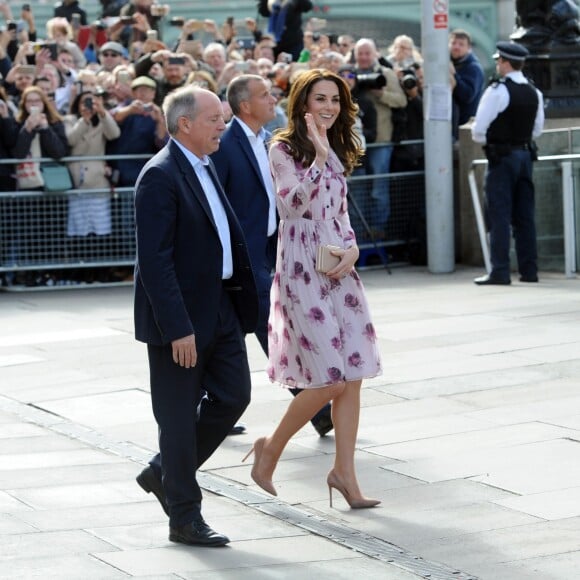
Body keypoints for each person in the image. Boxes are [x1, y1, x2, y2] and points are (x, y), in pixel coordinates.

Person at [242, 69, 382, 508]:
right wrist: (318, 158)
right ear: (303, 103)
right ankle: (271, 447)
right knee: (328, 379)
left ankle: (344, 474)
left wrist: (353, 250)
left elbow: (338, 213)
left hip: (339, 267)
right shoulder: (281, 147)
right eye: (320, 99)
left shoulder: (340, 146)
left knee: (354, 376)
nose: (329, 107)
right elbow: (291, 205)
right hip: (302, 270)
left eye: (336, 101)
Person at [134, 86, 258, 547]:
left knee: (234, 396)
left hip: (221, 306)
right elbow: (155, 261)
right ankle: (185, 517)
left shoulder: (207, 165)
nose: (223, 126)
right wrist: (177, 328)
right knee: (178, 419)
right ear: (185, 124)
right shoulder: (160, 176)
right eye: (214, 119)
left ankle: (163, 472)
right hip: (181, 318)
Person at [211, 74, 333, 437]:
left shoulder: (271, 141)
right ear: (245, 105)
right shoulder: (225, 143)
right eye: (265, 95)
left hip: (269, 248)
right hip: (240, 255)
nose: (273, 99)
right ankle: (313, 405)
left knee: (242, 330)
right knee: (268, 323)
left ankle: (216, 406)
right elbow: (216, 200)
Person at [471, 41, 544, 286]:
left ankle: (500, 270)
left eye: (498, 61)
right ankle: (529, 270)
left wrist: (496, 139)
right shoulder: (534, 91)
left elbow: (478, 130)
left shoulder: (497, 90)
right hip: (525, 156)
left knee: (499, 214)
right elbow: (537, 130)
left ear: (504, 62)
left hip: (502, 158)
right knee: (525, 215)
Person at [353, 38, 406, 239]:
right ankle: (358, 234)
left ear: (375, 54)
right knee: (358, 190)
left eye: (368, 53)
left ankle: (378, 232)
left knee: (378, 189)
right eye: (361, 53)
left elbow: (401, 100)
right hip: (356, 141)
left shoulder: (386, 74)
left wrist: (380, 93)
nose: (364, 57)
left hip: (381, 141)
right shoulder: (349, 74)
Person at [449, 29, 484, 141]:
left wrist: (455, 76)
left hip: (463, 127)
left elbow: (468, 96)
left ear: (468, 48)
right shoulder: (447, 63)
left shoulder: (473, 68)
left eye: (461, 44)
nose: (456, 47)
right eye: (453, 43)